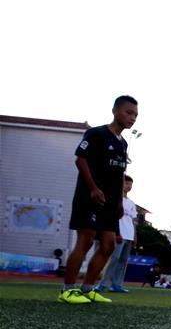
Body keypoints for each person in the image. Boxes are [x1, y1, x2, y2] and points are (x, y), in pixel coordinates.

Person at [58, 96, 138, 304]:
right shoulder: (96, 133)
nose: (132, 118)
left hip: (110, 202)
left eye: (135, 115)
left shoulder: (123, 143)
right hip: (90, 196)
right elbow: (80, 159)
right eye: (128, 112)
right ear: (115, 111)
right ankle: (67, 290)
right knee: (85, 240)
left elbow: (120, 174)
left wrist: (119, 202)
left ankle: (87, 289)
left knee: (109, 245)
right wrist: (93, 188)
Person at [97, 175, 138, 293]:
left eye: (131, 185)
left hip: (129, 235)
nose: (129, 186)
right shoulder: (115, 199)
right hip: (119, 233)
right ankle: (103, 284)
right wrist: (116, 232)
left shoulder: (131, 203)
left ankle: (117, 284)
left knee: (123, 261)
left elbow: (133, 221)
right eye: (127, 183)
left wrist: (135, 235)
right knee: (114, 258)